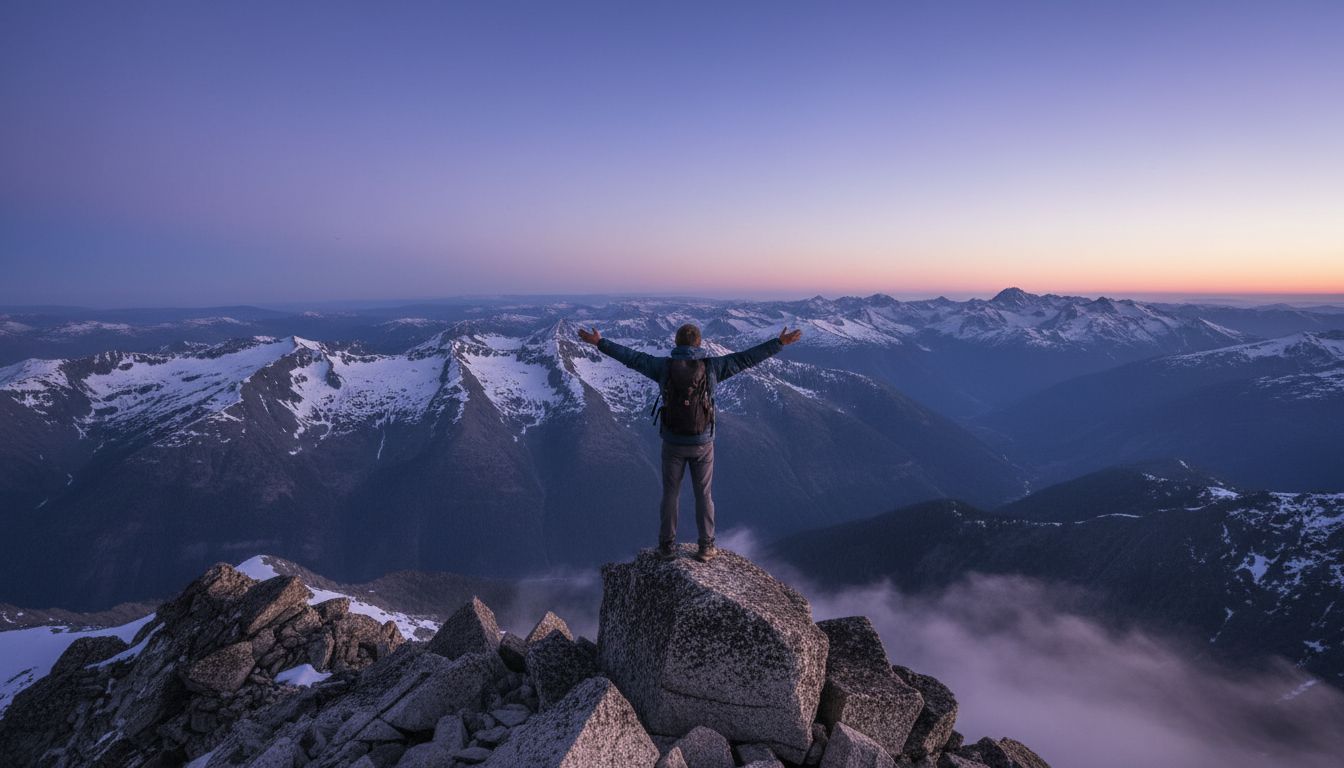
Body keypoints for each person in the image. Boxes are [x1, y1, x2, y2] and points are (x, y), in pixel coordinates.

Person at [577, 322, 803, 562]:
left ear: (676, 343)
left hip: (672, 442)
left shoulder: (663, 367)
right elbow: (746, 358)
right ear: (699, 343)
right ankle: (706, 546)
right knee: (703, 495)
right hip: (703, 442)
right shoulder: (713, 367)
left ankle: (666, 546)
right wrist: (779, 343)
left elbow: (632, 358)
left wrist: (600, 342)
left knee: (670, 494)